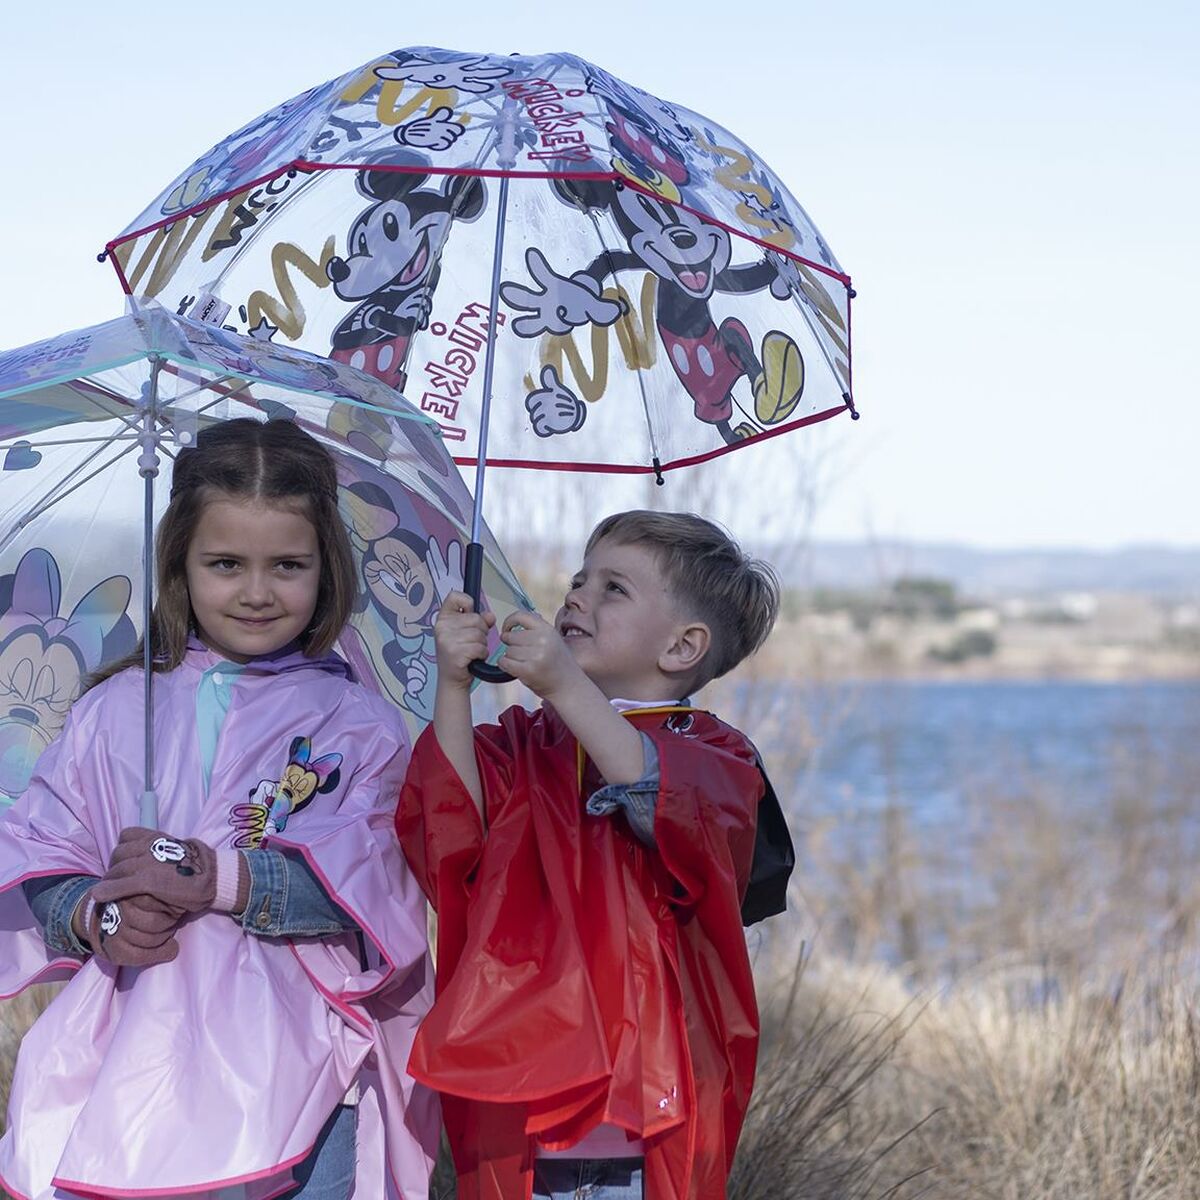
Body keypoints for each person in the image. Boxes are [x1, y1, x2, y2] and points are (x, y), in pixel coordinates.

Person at [0, 419, 438, 1200]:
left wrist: (220, 878)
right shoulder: (116, 709)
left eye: (288, 566)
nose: (257, 592)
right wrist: (96, 914)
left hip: (307, 1071)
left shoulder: (358, 724)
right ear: (181, 562)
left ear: (326, 568)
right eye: (226, 564)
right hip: (136, 1060)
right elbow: (43, 851)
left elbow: (372, 889)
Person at [397, 510, 783, 1200]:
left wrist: (562, 684)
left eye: (613, 589)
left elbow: (656, 792)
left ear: (682, 646)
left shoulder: (716, 757)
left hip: (643, 1106)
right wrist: (452, 686)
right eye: (580, 579)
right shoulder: (526, 740)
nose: (578, 595)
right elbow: (451, 827)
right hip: (521, 1084)